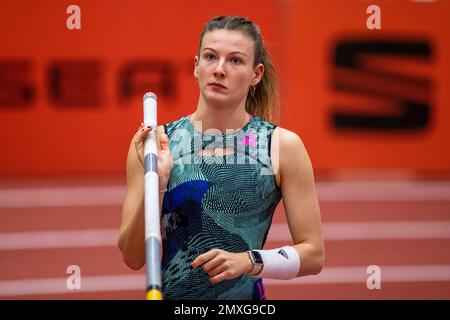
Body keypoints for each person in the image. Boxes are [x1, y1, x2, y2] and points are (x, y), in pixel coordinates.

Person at [118, 16, 324, 300]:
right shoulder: (156, 144)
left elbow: (313, 254)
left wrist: (249, 261)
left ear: (256, 74)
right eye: (210, 57)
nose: (219, 69)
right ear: (195, 66)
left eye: (236, 61)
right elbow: (132, 256)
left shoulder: (281, 146)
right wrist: (158, 183)